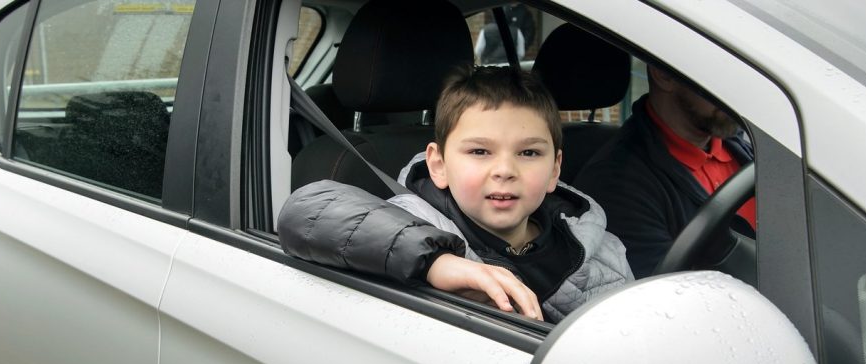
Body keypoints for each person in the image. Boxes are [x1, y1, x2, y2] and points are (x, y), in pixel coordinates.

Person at [278, 65, 632, 323]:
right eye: (479, 152)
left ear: (555, 169)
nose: (505, 170)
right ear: (438, 165)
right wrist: (434, 261)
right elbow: (306, 211)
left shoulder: (599, 244)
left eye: (528, 153)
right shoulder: (413, 219)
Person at [575, 65, 755, 278]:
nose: (738, 88)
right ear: (664, 75)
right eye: (721, 69)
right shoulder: (617, 186)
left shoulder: (746, 147)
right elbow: (672, 298)